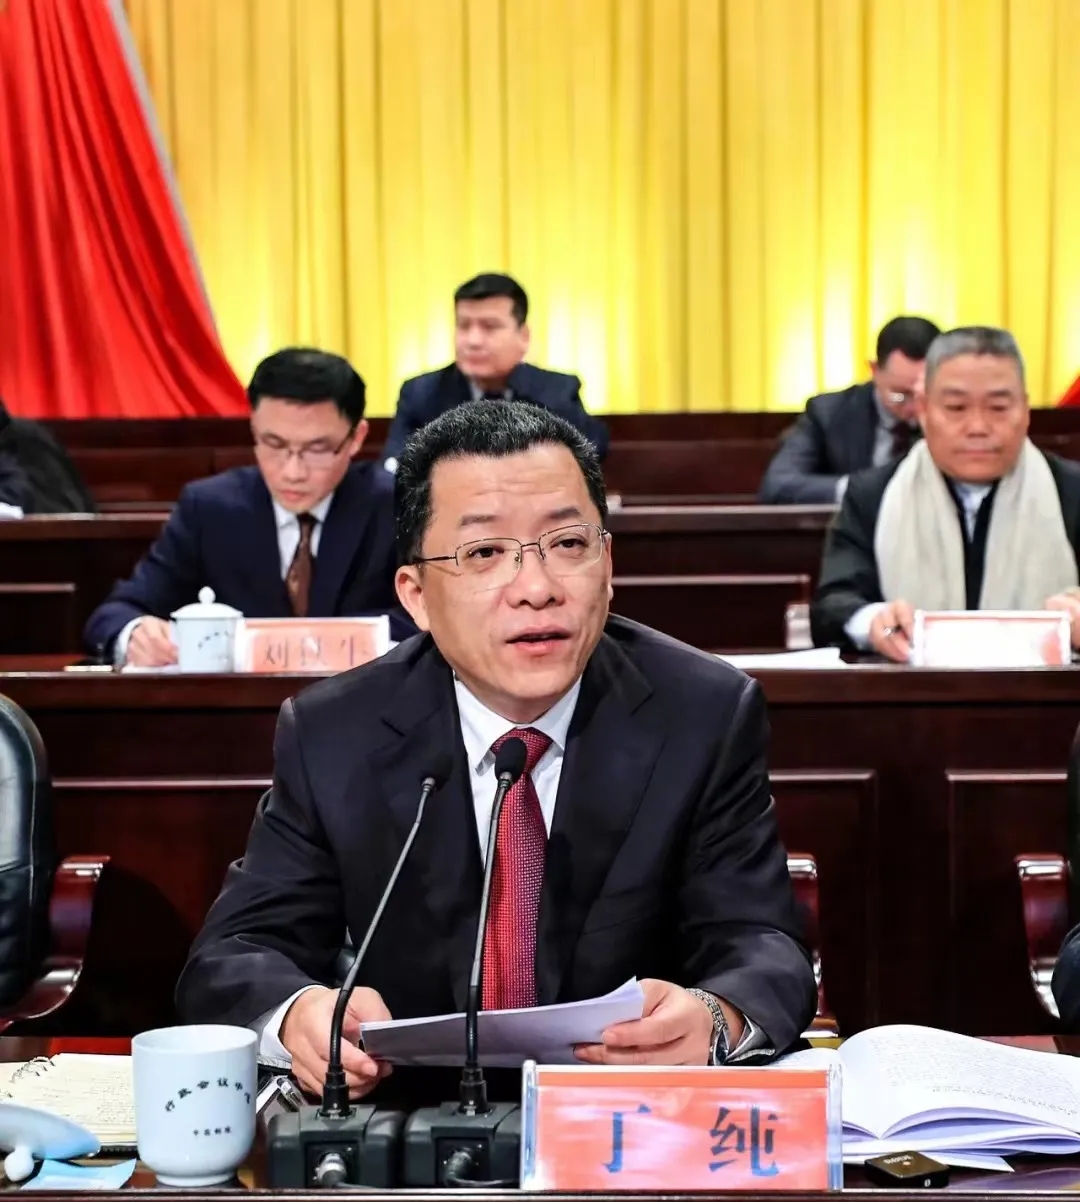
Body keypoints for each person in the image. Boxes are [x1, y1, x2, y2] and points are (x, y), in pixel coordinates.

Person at [177, 399, 815, 1104]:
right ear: (416, 596)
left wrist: (714, 1020)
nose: (537, 589)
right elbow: (236, 955)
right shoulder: (336, 731)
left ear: (607, 565)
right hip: (408, 1119)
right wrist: (299, 1015)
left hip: (628, 1117)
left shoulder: (702, 712)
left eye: (567, 544)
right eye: (484, 553)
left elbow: (763, 946)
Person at [83, 348, 404, 665]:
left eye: (317, 449)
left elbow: (425, 616)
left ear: (356, 437)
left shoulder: (396, 504)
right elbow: (117, 613)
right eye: (274, 444)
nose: (292, 472)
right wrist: (135, 633)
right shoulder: (210, 507)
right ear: (254, 429)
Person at [810, 326, 1080, 660]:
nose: (978, 427)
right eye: (956, 407)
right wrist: (875, 621)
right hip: (909, 689)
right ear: (923, 409)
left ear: (1025, 411)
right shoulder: (872, 494)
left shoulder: (1072, 491)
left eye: (998, 407)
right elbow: (834, 603)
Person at [381, 273, 608, 469]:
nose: (473, 341)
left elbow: (592, 451)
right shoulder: (423, 393)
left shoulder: (557, 389)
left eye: (490, 327)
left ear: (523, 336)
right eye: (464, 325)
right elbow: (395, 466)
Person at [758, 316, 941, 505]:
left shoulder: (953, 416)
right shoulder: (828, 413)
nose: (913, 406)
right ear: (874, 371)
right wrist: (859, 491)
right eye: (900, 395)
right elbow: (778, 485)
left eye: (924, 394)